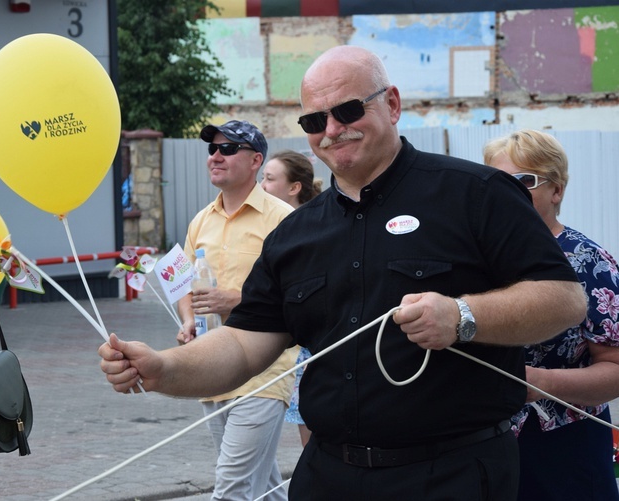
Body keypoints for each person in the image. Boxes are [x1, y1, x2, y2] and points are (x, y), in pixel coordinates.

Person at [99, 46, 586, 500]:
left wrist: (464, 315)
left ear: (391, 104)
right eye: (315, 119)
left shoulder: (476, 194)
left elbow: (564, 299)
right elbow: (245, 343)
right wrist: (164, 368)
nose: (332, 129)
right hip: (328, 476)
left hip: (452, 474)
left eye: (348, 110)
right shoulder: (296, 234)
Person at [484, 129, 619, 501]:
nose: (509, 191)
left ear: (557, 190)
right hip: (480, 442)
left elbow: (616, 368)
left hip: (563, 447)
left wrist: (540, 382)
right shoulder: (473, 258)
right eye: (498, 180)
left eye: (525, 180)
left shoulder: (589, 263)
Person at [175, 120, 297, 501]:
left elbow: (299, 295)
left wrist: (237, 300)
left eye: (228, 149)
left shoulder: (282, 218)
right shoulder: (200, 220)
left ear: (256, 160)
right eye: (212, 149)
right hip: (212, 366)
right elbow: (181, 282)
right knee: (265, 484)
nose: (215, 156)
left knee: (231, 487)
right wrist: (187, 321)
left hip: (265, 372)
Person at [261, 149, 322, 448]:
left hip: (316, 352)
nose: (262, 186)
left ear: (294, 187)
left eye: (270, 179)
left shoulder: (315, 229)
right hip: (299, 358)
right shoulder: (272, 228)